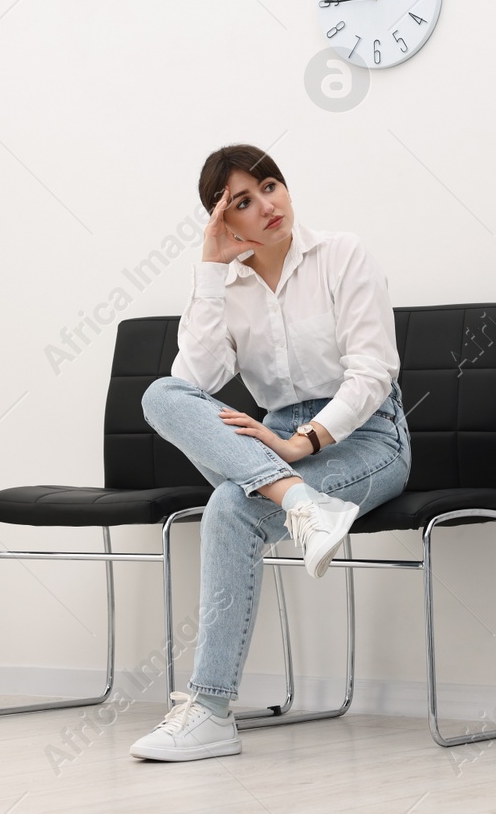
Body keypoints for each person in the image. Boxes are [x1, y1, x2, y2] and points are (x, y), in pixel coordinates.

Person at [129, 144, 410, 762]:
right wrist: (209, 269)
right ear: (223, 221)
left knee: (231, 504)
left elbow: (373, 374)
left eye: (270, 186)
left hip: (365, 437)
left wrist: (303, 443)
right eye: (243, 202)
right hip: (272, 442)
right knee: (160, 394)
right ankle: (300, 501)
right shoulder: (226, 285)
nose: (267, 205)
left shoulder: (343, 254)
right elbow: (193, 381)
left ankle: (206, 709)